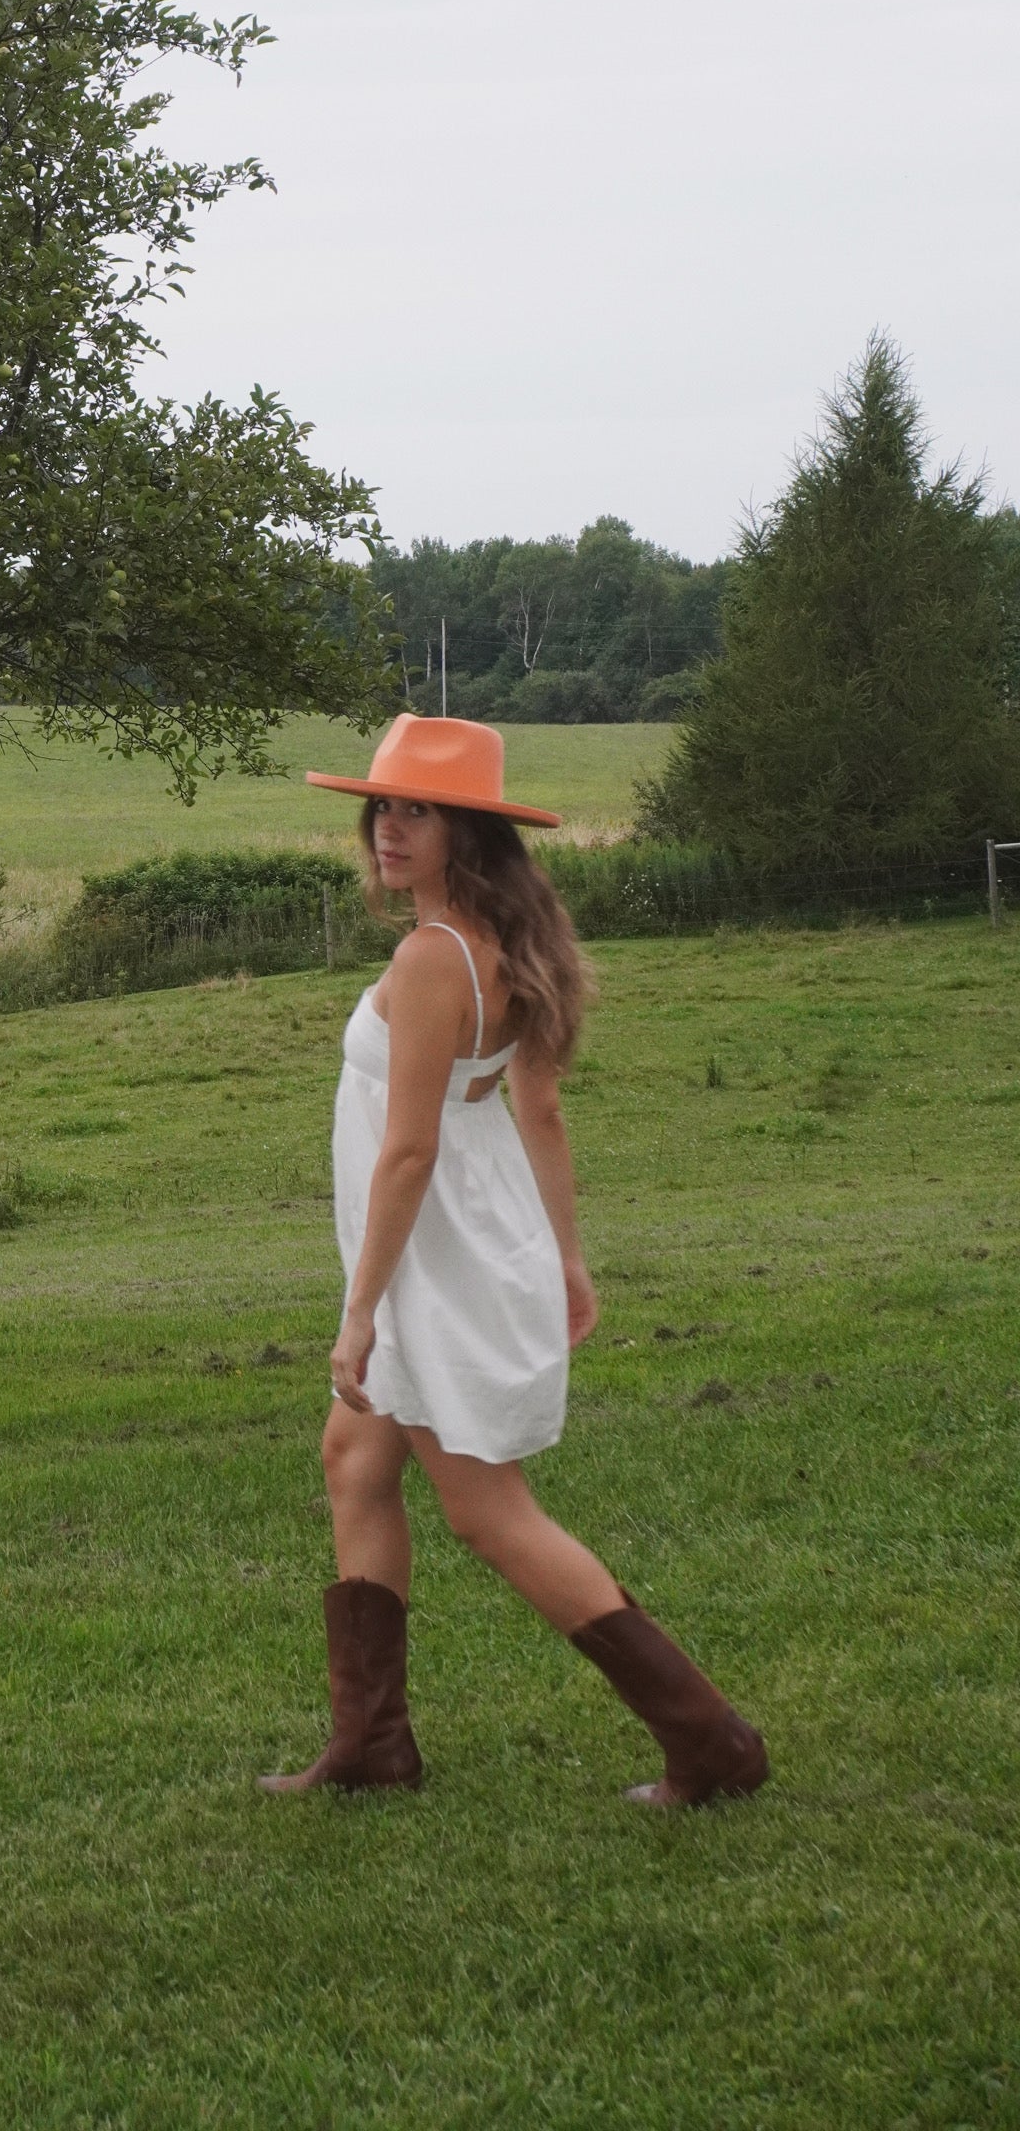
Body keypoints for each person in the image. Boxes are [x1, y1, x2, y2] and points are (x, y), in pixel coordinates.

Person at [259, 714, 768, 1811]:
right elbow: (537, 1111)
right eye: (382, 806)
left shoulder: (432, 956)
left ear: (469, 829)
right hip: (475, 1242)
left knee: (491, 1515)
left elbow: (408, 1149)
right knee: (353, 1455)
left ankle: (712, 1741)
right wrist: (569, 1263)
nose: (389, 830)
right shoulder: (506, 938)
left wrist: (359, 1315)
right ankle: (371, 1743)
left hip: (432, 1263)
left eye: (418, 810)